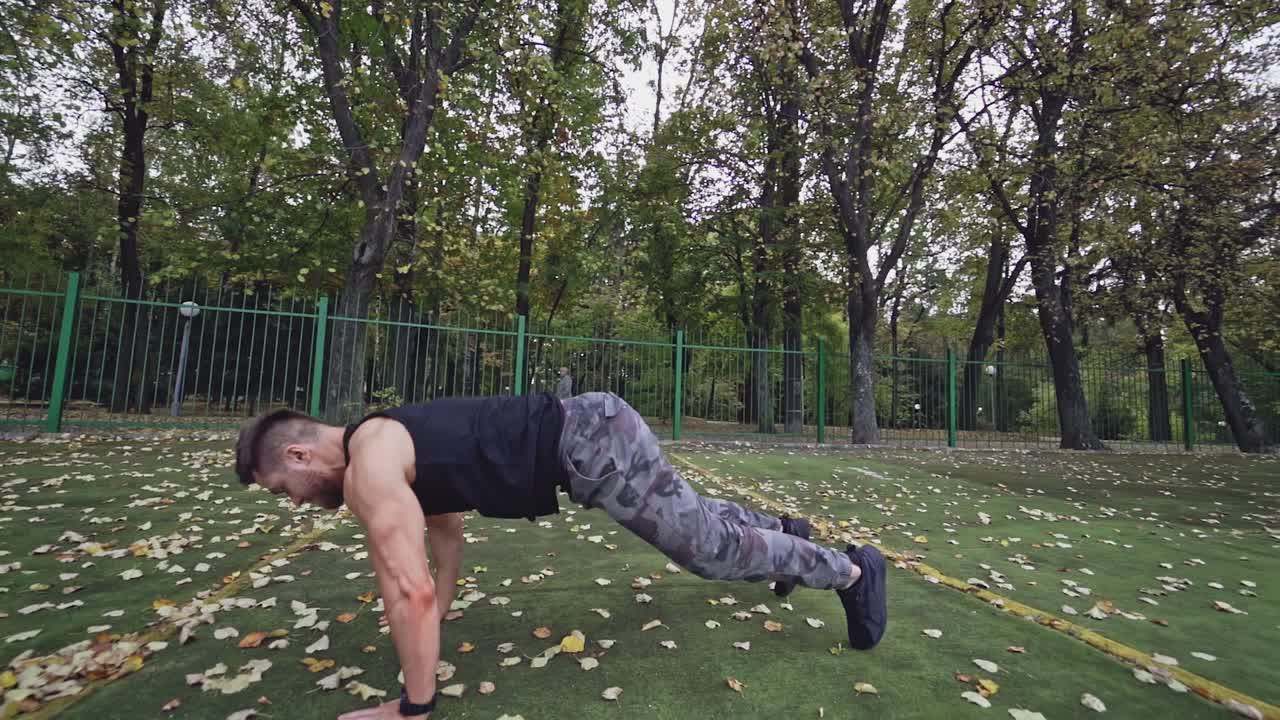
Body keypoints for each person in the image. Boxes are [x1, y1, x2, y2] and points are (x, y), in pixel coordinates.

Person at [234, 392, 887, 720]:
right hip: (592, 435)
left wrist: (412, 708)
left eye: (281, 489)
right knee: (703, 524)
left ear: (297, 456)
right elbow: (447, 530)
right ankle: (786, 531)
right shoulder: (384, 440)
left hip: (590, 445)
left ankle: (852, 570)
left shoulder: (368, 467)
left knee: (709, 551)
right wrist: (447, 608)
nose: (292, 502)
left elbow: (409, 591)